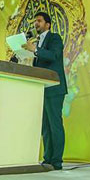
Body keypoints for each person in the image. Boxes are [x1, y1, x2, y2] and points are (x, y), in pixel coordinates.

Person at [23, 11, 68, 170]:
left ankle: (57, 161)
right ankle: (48, 158)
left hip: (54, 88)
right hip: (41, 88)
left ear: (47, 24)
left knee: (55, 124)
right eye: (35, 21)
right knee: (45, 127)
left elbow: (54, 56)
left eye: (39, 21)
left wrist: (35, 50)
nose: (36, 24)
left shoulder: (54, 38)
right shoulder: (36, 42)